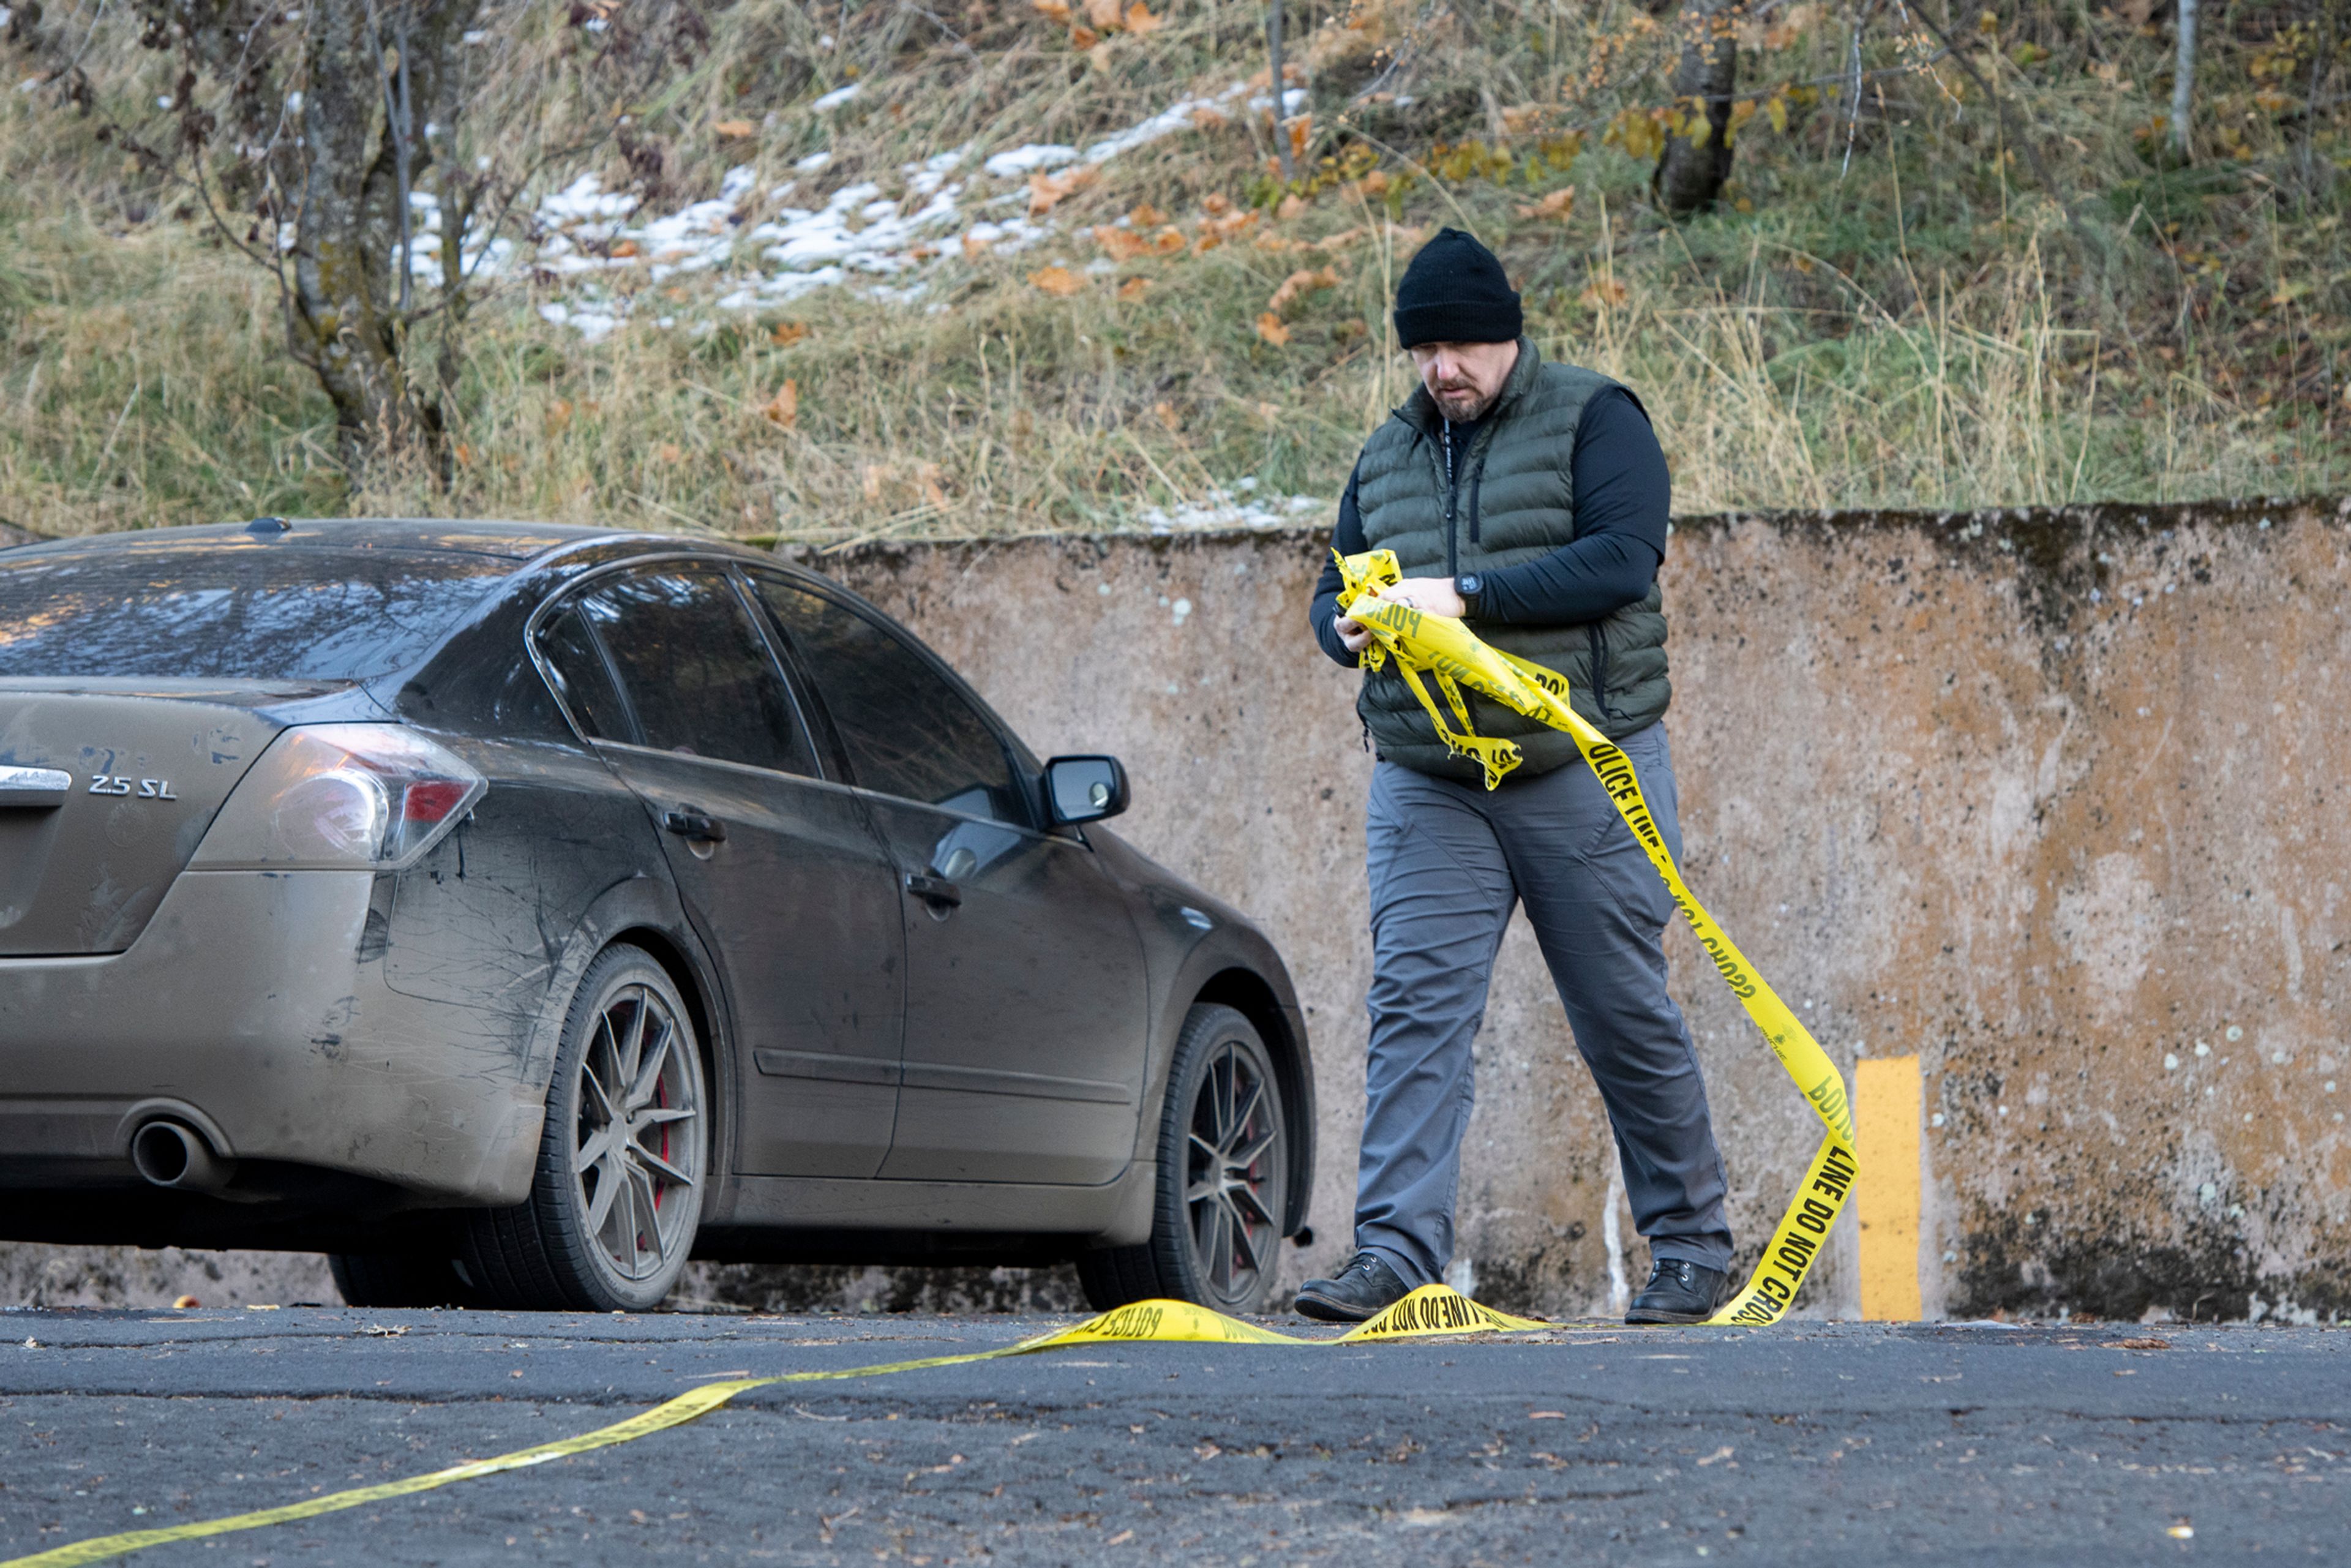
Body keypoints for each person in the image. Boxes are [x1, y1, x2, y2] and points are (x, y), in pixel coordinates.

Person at [1297, 228, 1735, 1326]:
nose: (1442, 368)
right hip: (1431, 782)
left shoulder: (1598, 418)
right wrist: (1342, 625)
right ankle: (1395, 1253)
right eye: (1424, 350)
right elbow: (1329, 587)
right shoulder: (1386, 453)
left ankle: (1691, 1247)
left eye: (1461, 346)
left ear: (1508, 336)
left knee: (1622, 1009)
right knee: (1414, 1011)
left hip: (1581, 768)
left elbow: (1621, 559)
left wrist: (1465, 594)